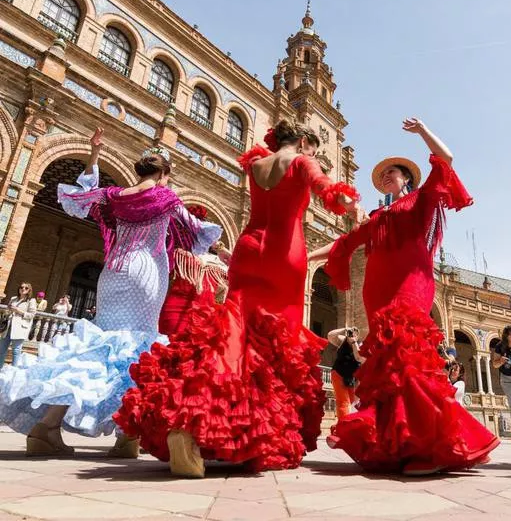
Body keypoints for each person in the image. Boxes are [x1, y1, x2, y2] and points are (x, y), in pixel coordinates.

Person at [115, 121, 362, 478]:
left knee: (232, 332)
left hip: (248, 248)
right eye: (314, 149)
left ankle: (189, 421)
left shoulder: (257, 164)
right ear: (305, 142)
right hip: (284, 255)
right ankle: (250, 431)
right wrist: (346, 201)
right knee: (276, 346)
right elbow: (328, 191)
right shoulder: (303, 161)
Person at [0, 127, 220, 457]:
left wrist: (93, 155)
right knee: (137, 351)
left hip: (113, 273)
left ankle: (46, 427)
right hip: (146, 274)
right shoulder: (165, 197)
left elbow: (81, 196)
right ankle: (127, 436)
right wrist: (225, 256)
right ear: (163, 174)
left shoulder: (115, 196)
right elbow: (196, 231)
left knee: (98, 347)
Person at [310, 118, 499, 475]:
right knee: (389, 366)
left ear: (406, 178)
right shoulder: (378, 215)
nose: (385, 178)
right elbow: (344, 244)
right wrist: (303, 257)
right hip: (376, 292)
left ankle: (429, 444)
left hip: (410, 284)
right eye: (382, 176)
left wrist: (424, 130)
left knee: (408, 354)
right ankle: (401, 441)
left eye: (392, 173)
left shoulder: (421, 200)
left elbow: (446, 159)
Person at [158, 203, 231, 337]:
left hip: (203, 323)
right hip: (177, 316)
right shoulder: (178, 254)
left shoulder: (180, 255)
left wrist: (219, 247)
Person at [328, 327, 364, 419]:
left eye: (355, 333)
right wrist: (344, 330)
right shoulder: (342, 340)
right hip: (338, 373)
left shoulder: (359, 345)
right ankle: (343, 426)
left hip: (351, 378)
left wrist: (353, 342)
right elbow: (330, 335)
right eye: (351, 333)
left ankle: (349, 424)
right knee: (343, 402)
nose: (352, 334)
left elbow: (358, 357)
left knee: (352, 403)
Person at [0, 283, 37, 368]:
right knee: (1, 349)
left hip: (20, 328)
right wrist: (8, 310)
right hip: (8, 327)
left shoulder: (31, 301)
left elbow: (31, 315)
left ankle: (13, 370)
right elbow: (7, 312)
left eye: (26, 288)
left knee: (16, 350)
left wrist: (18, 310)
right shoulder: (13, 299)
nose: (23, 289)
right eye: (21, 287)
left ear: (29, 290)